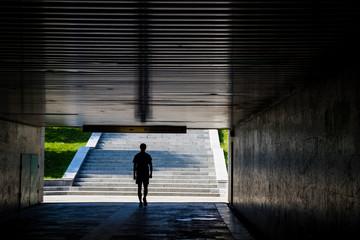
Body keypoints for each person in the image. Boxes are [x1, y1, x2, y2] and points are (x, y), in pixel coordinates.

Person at [133, 143, 153, 207]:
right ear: (145, 148)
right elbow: (151, 165)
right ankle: (144, 197)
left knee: (139, 188)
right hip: (145, 173)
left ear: (140, 148)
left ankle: (140, 201)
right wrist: (151, 173)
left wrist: (134, 174)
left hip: (139, 173)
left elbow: (134, 166)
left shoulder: (137, 155)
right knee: (145, 187)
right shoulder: (147, 156)